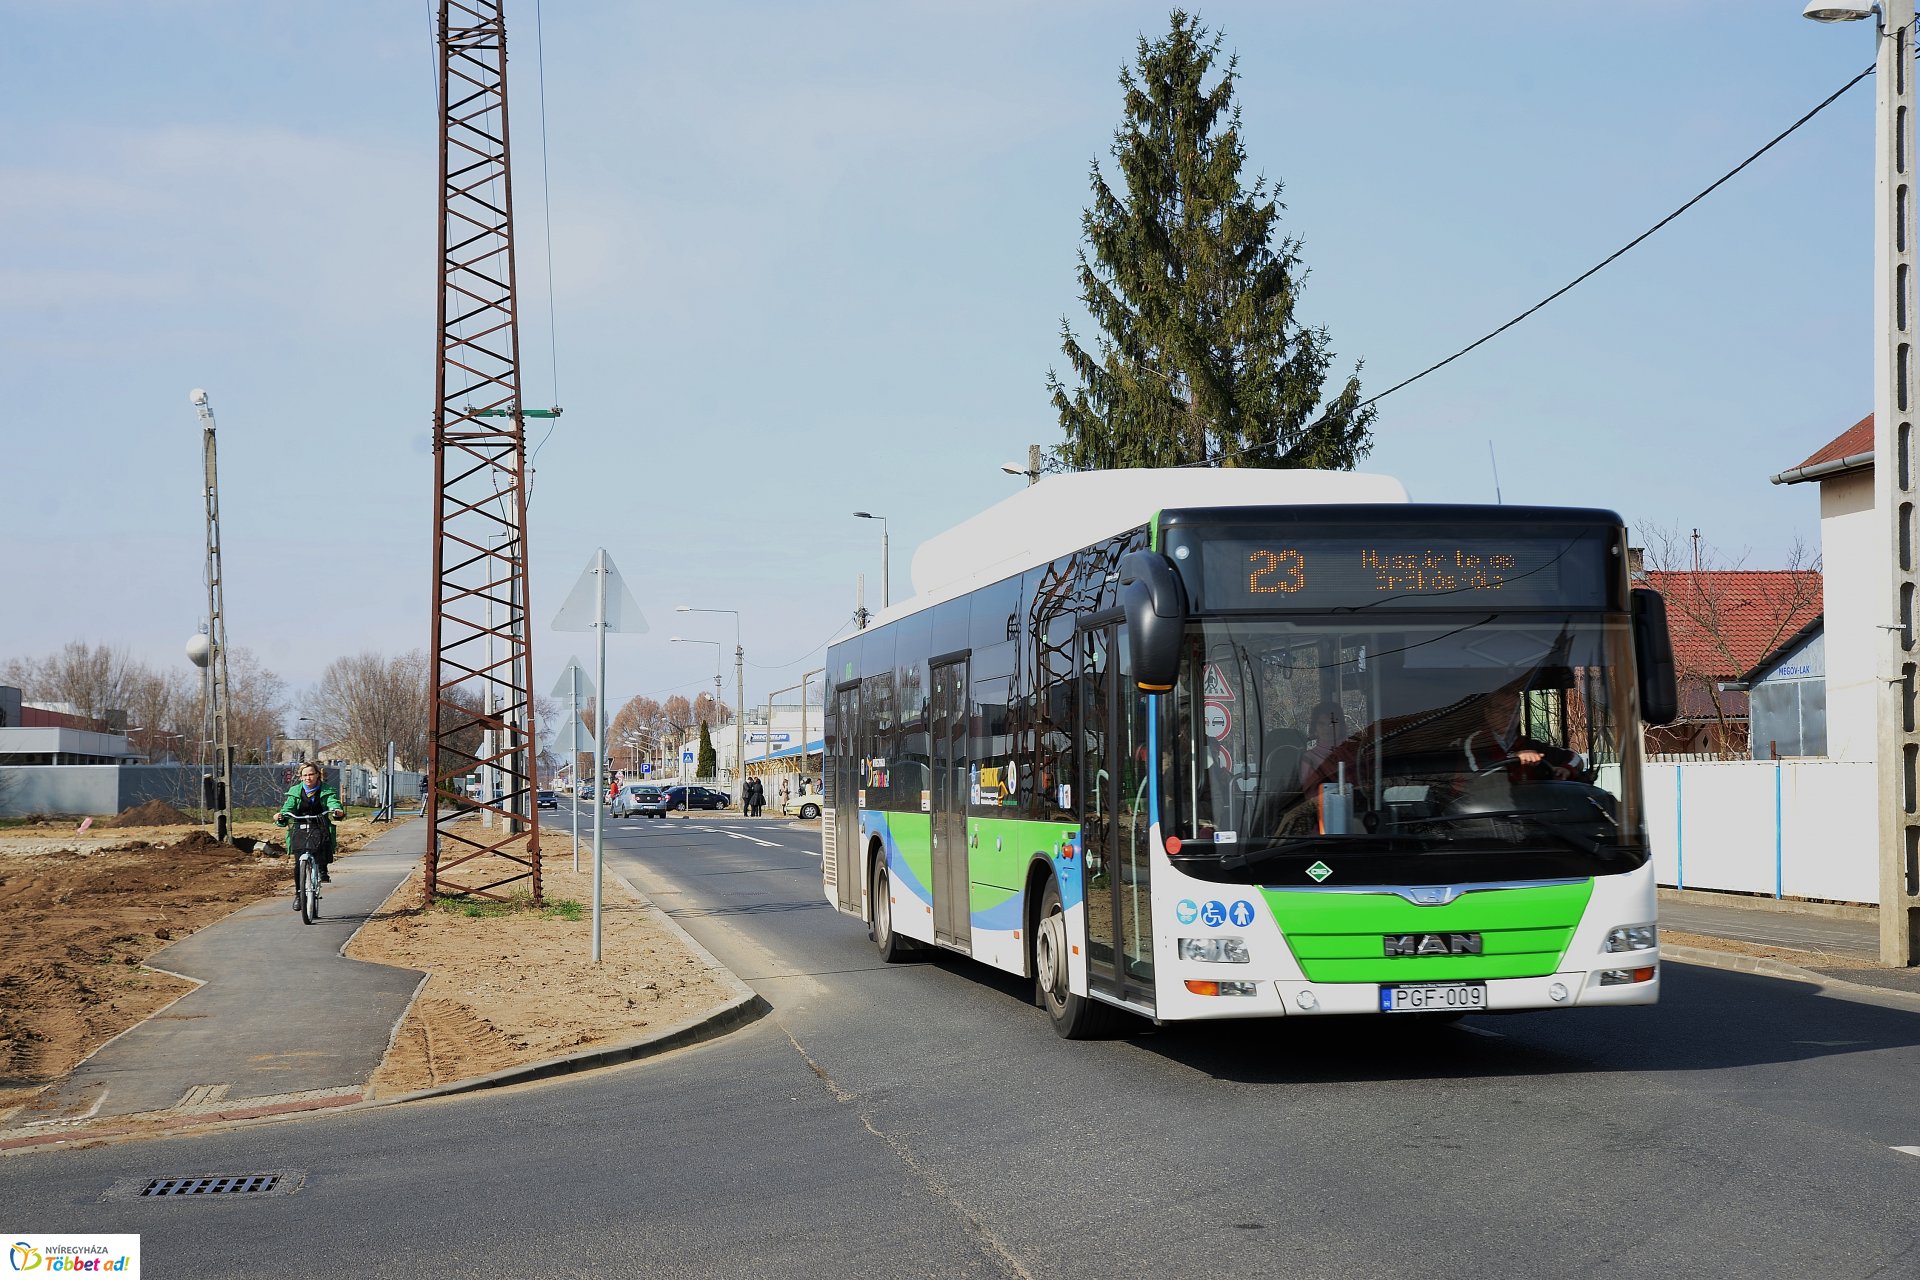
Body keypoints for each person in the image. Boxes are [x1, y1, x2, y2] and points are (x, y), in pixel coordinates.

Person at [1455, 685, 1585, 782]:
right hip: (1484, 807)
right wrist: (1514, 757)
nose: (1508, 716)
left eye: (1514, 711)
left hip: (1529, 807)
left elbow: (1574, 757)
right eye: (1501, 709)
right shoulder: (1475, 742)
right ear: (1488, 713)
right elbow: (1477, 774)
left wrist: (1566, 769)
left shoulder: (1528, 744)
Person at [275, 763, 345, 881]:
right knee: (298, 861)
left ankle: (322, 870)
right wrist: (282, 815)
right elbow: (288, 807)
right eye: (305, 775)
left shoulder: (326, 790)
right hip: (299, 824)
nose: (308, 778)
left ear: (318, 775)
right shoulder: (295, 791)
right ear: (301, 777)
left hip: (319, 823)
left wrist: (336, 810)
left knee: (322, 842)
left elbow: (332, 802)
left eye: (311, 774)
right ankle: (299, 891)